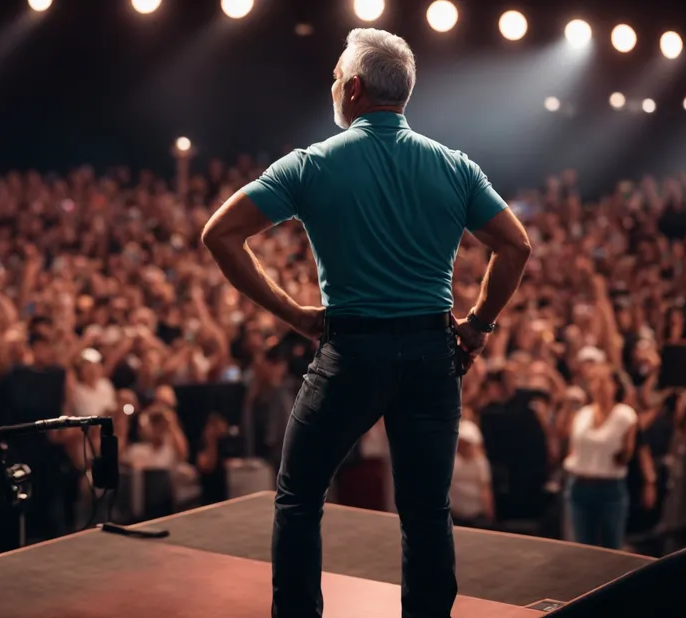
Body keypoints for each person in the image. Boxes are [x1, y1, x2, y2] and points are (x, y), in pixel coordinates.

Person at [202, 28, 530, 618]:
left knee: (299, 497)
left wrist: (294, 314)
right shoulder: (454, 166)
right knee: (427, 512)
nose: (333, 84)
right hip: (434, 353)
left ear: (353, 89)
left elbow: (219, 234)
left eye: (335, 76)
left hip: (351, 353)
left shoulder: (311, 165)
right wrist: (478, 325)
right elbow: (516, 245)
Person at [562, 363, 639, 550]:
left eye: (604, 381)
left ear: (615, 386)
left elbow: (626, 454)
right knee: (581, 548)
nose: (599, 386)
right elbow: (572, 448)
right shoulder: (582, 414)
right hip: (579, 485)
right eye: (594, 381)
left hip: (609, 487)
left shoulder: (625, 415)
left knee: (611, 547)